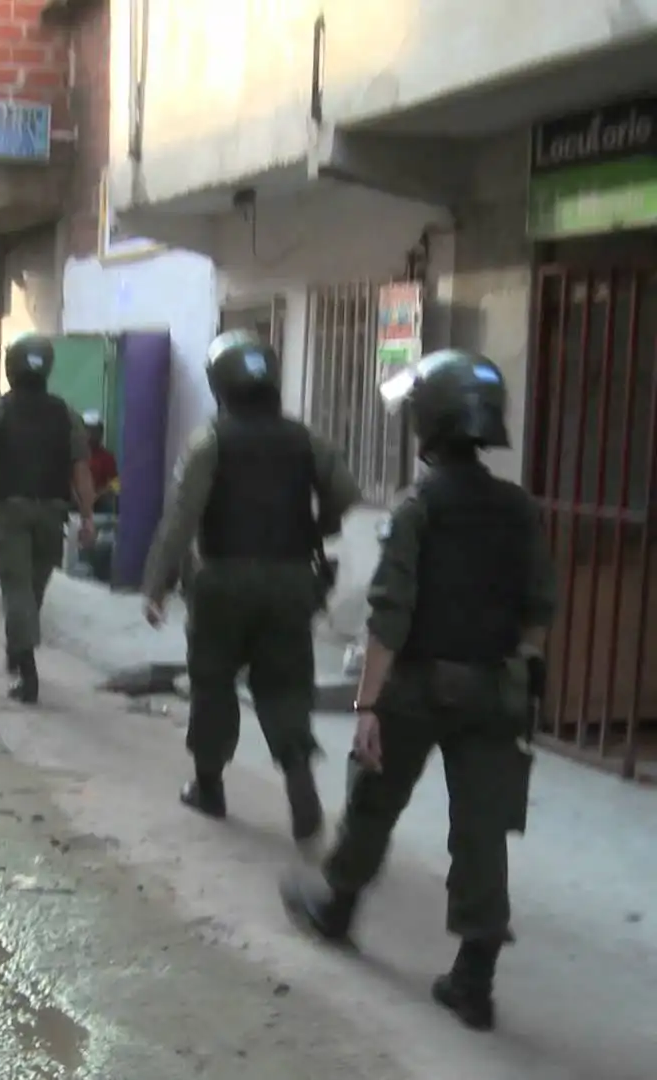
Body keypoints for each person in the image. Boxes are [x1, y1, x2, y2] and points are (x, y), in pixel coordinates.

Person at [281, 349, 552, 1033]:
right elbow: (539, 610)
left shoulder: (420, 507)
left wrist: (367, 704)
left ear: (427, 424)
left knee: (374, 797)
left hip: (417, 687)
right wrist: (514, 676)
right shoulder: (519, 509)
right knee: (483, 831)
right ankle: (474, 979)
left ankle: (337, 908)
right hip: (496, 690)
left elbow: (390, 616)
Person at [140, 330, 360, 842]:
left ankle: (209, 787)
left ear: (220, 385)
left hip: (222, 581)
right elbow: (346, 493)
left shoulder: (210, 441)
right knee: (285, 684)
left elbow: (180, 518)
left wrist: (156, 584)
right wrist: (321, 523)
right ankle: (299, 774)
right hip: (290, 581)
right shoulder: (306, 439)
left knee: (213, 681)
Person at [0, 336, 96, 701]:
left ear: (10, 367)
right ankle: (18, 649)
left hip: (12, 511)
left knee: (18, 590)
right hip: (53, 511)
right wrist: (88, 517)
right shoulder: (66, 413)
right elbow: (82, 470)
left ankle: (26, 671)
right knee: (33, 588)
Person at [84, 411, 119, 512]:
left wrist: (99, 494)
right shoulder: (74, 454)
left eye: (94, 431)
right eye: (87, 430)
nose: (90, 434)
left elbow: (116, 483)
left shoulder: (107, 457)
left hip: (99, 503)